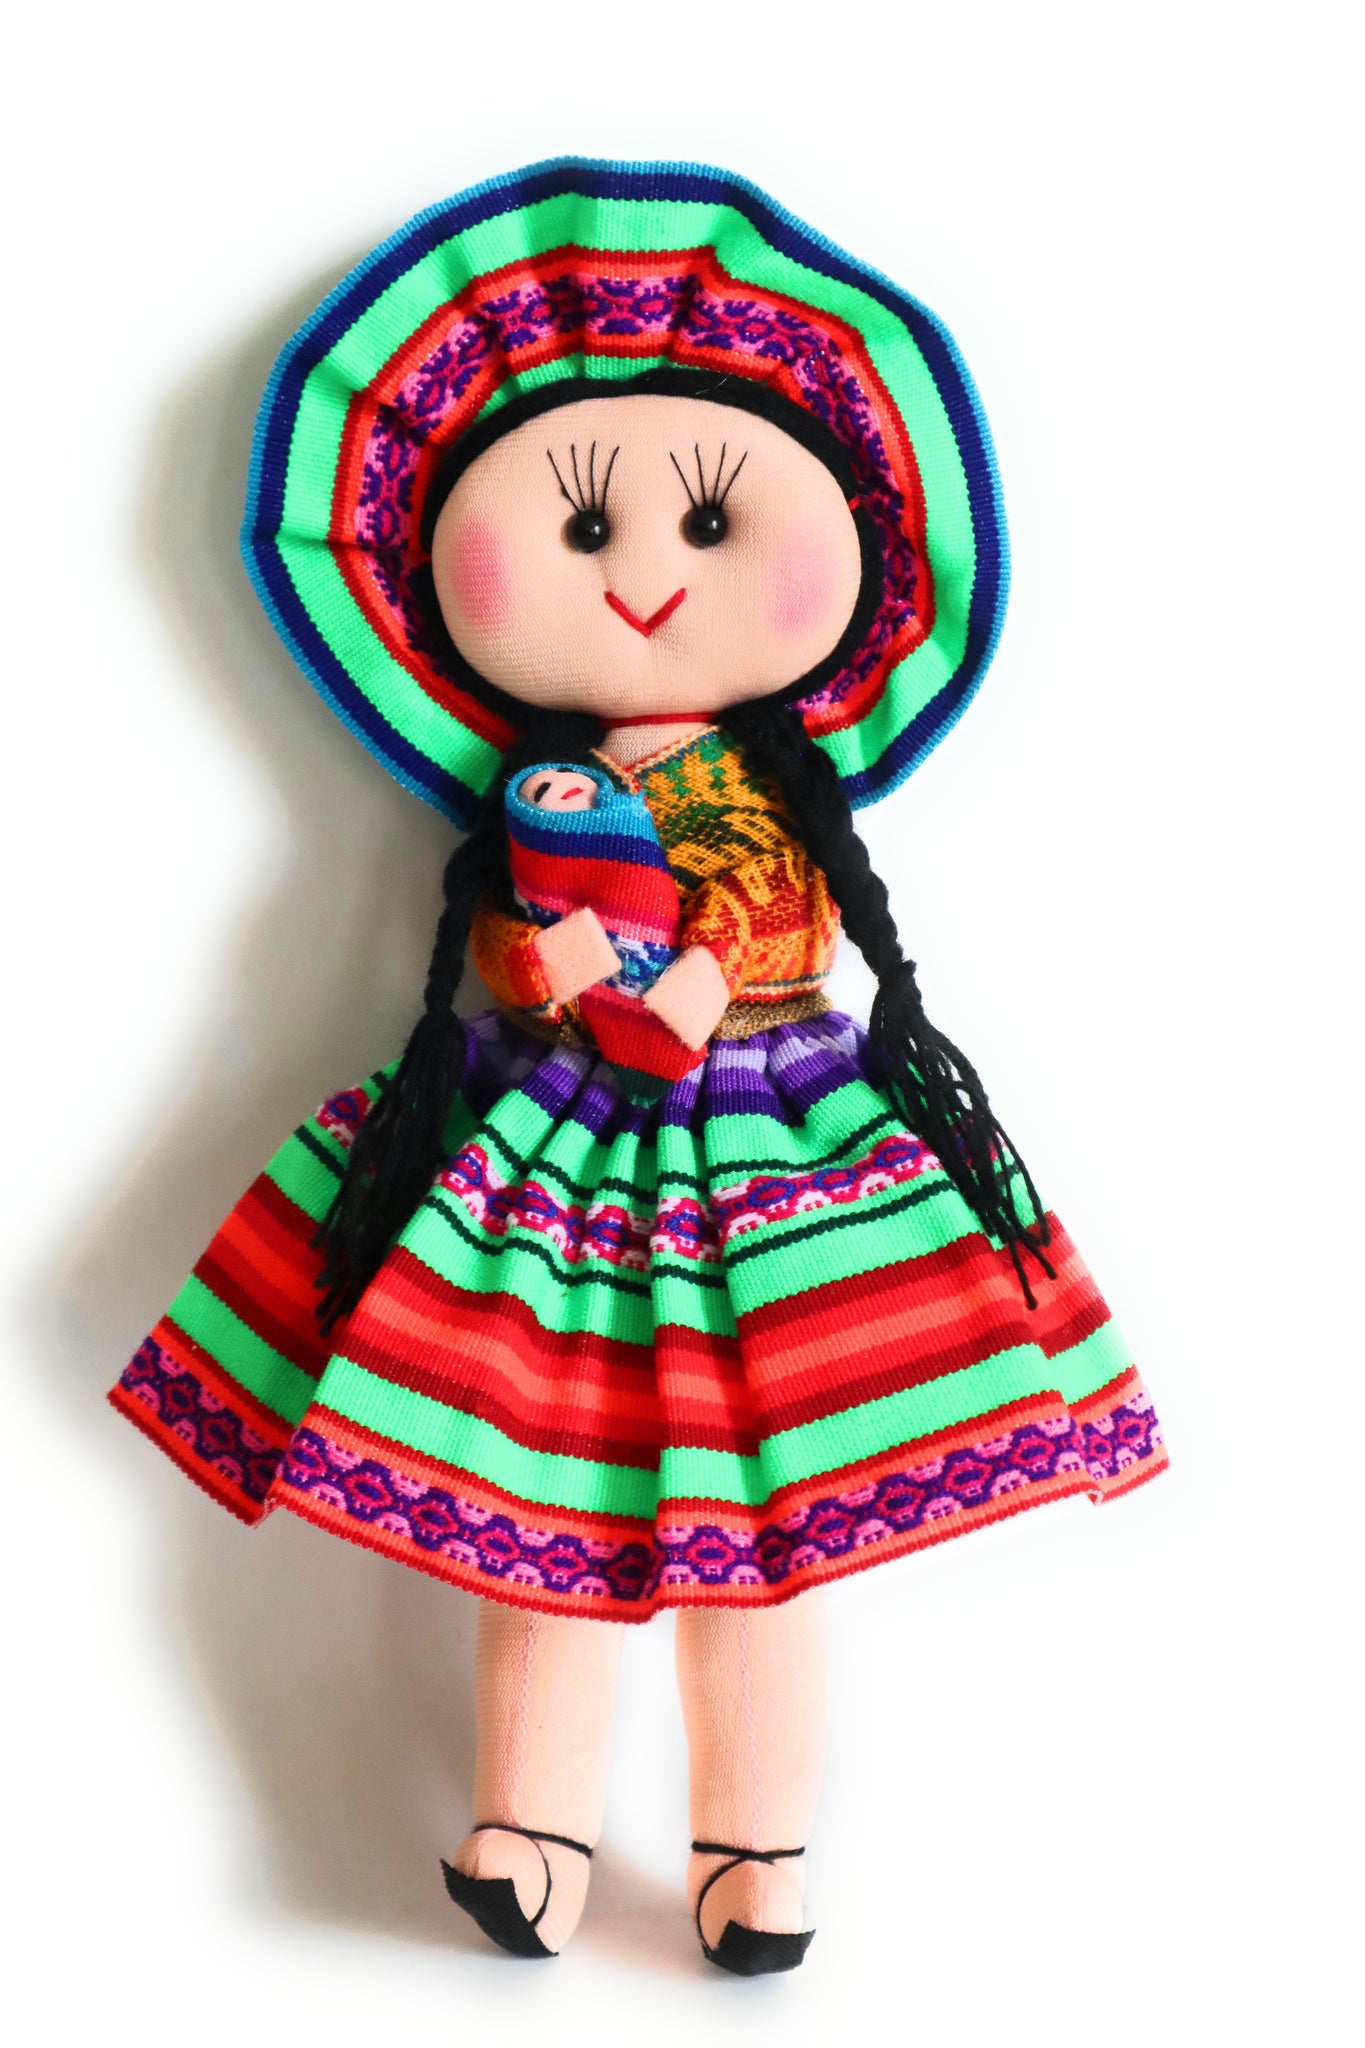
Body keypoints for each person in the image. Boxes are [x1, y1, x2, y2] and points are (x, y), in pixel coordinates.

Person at [111, 160, 1166, 1975]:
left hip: (779, 1148)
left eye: (703, 524)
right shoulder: (529, 799)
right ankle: (528, 1820)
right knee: (536, 1508)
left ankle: (754, 1849)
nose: (651, 579)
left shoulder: (776, 787)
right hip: (551, 1146)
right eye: (587, 528)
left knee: (783, 1521)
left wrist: (698, 974)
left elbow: (792, 922)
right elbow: (497, 943)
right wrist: (543, 960)